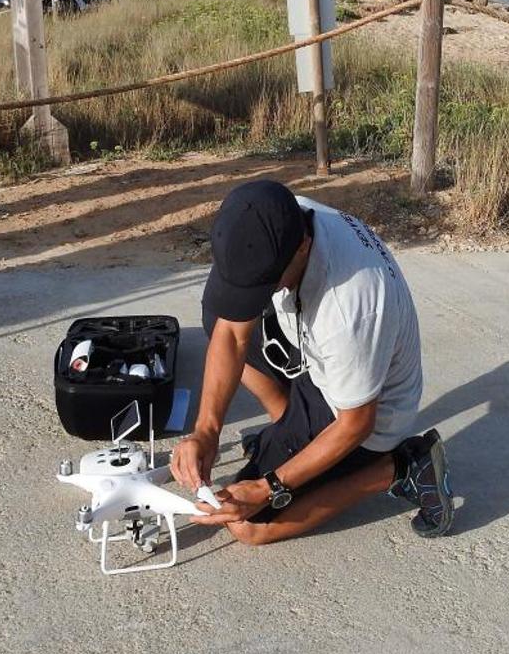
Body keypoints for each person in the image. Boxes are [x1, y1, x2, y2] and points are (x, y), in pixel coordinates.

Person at [169, 180, 453, 545]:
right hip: (321, 357)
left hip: (362, 412)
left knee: (249, 525)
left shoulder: (349, 310)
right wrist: (206, 431)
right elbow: (231, 332)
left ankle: (401, 467)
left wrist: (267, 488)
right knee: (219, 313)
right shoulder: (278, 221)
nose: (259, 296)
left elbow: (357, 423)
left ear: (302, 247)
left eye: (266, 285)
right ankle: (288, 426)